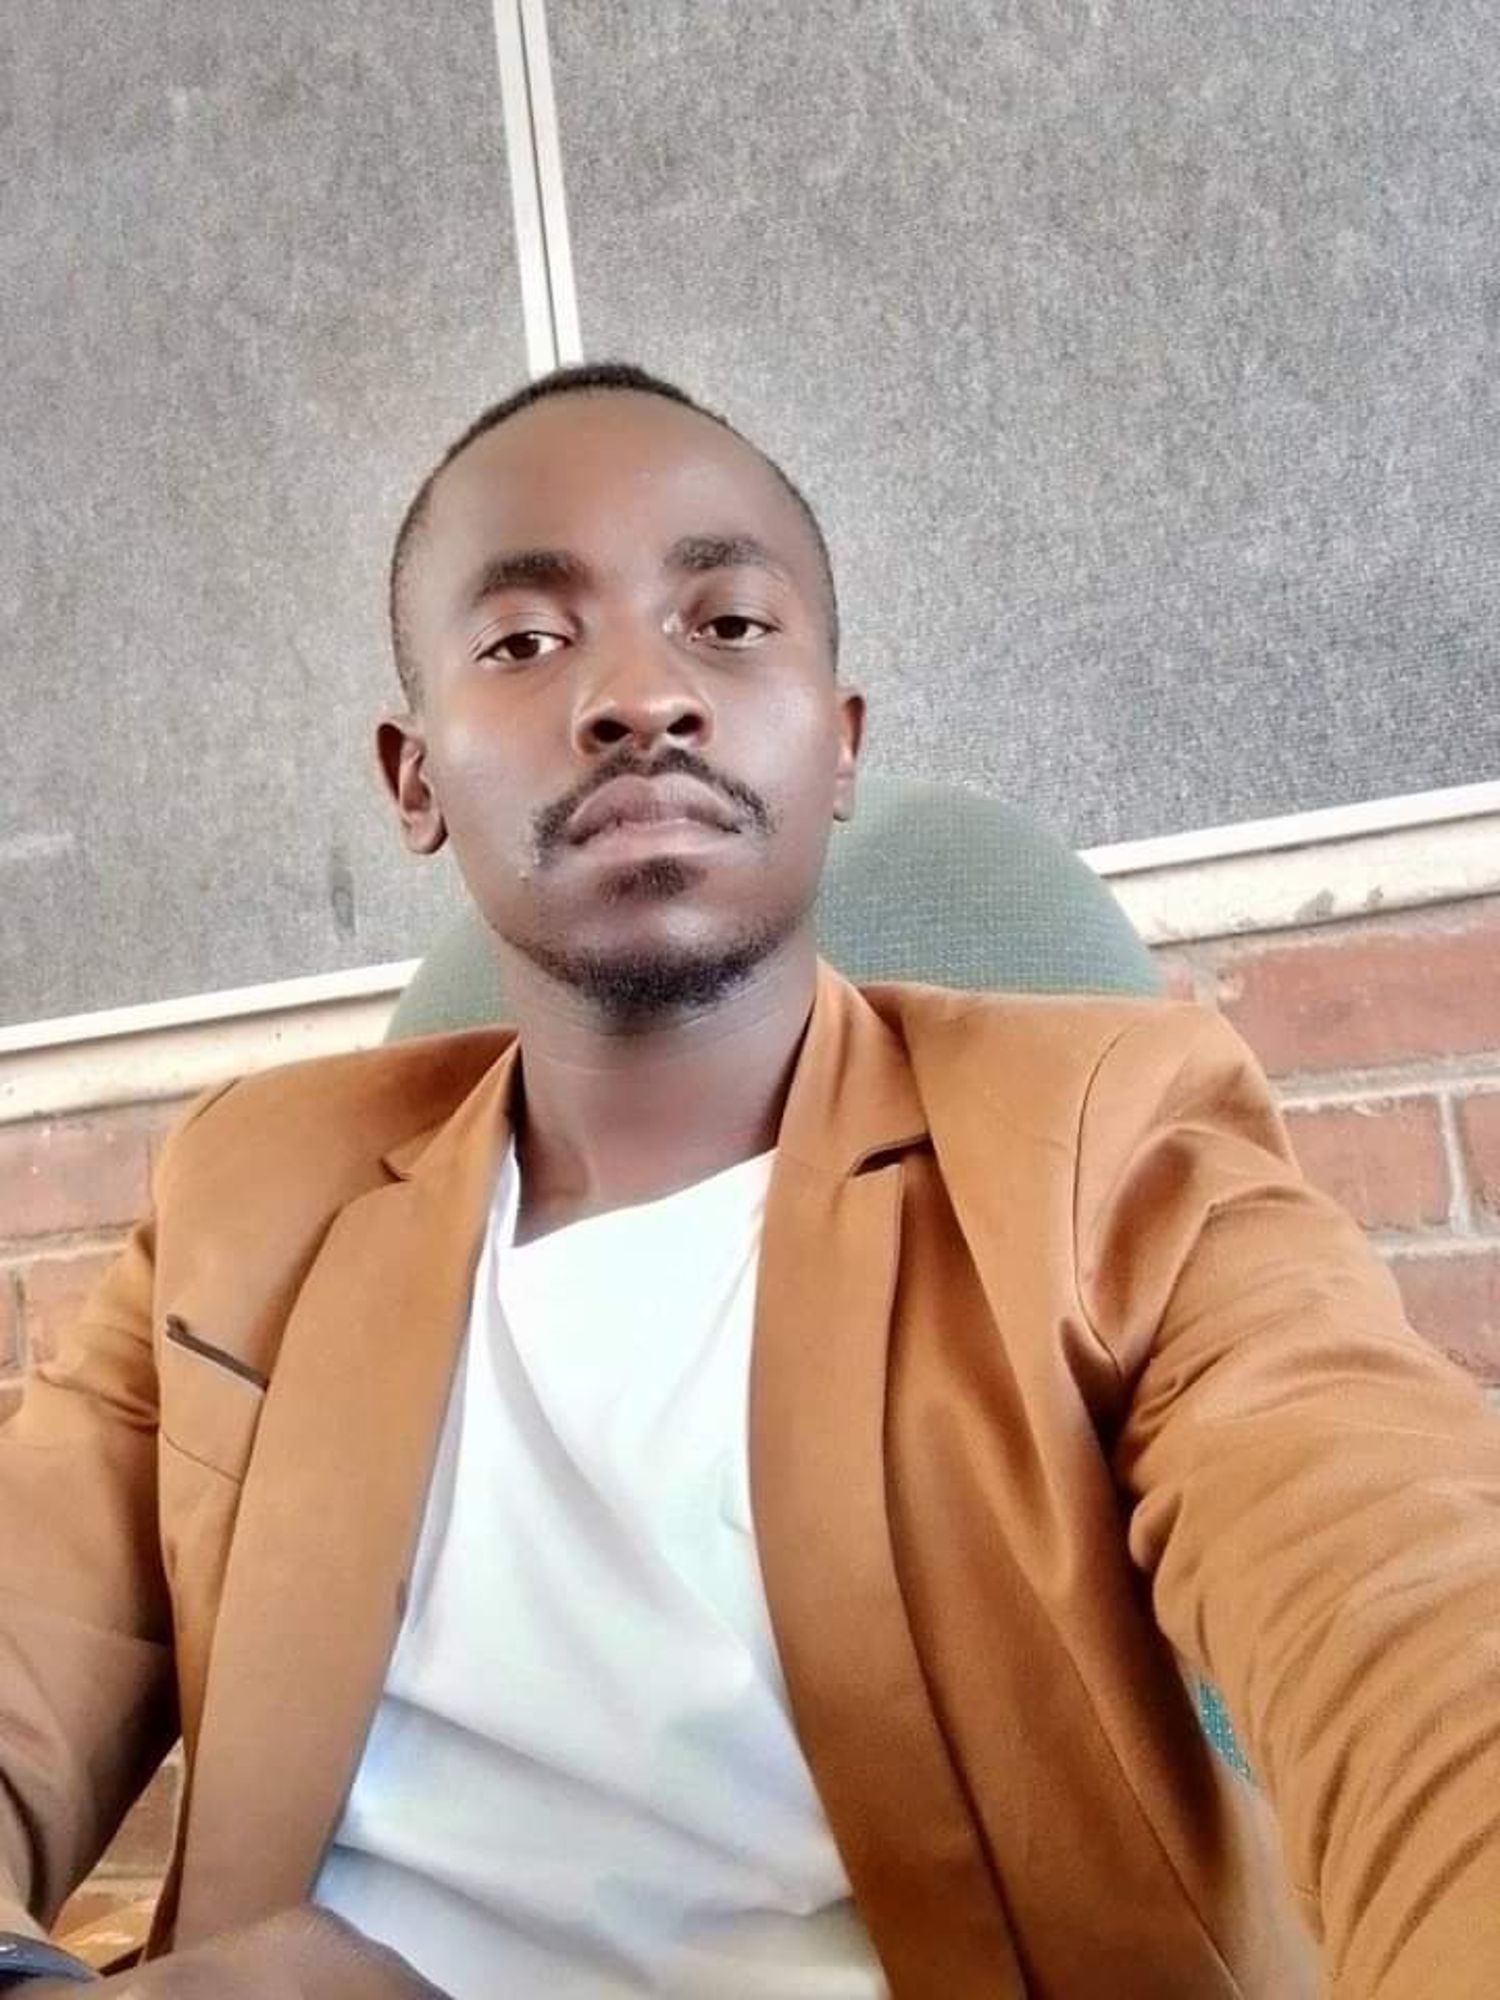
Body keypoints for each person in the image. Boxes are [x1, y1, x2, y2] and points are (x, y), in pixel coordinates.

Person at [2, 363, 1497, 2000]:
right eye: (526, 641)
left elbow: (1411, 1604)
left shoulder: (1107, 1141)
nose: (641, 695)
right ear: (413, 778)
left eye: (725, 625)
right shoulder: (249, 1194)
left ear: (838, 747)